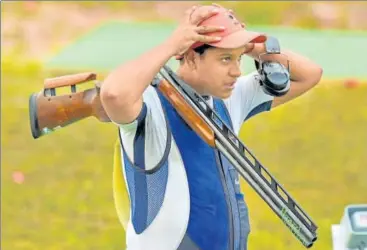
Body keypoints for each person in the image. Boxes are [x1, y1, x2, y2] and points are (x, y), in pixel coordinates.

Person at [101, 4, 323, 250]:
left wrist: (250, 47)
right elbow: (113, 94)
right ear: (193, 57)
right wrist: (173, 44)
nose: (236, 71)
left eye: (238, 59)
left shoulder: (229, 99)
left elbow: (309, 74)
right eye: (225, 59)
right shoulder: (149, 105)